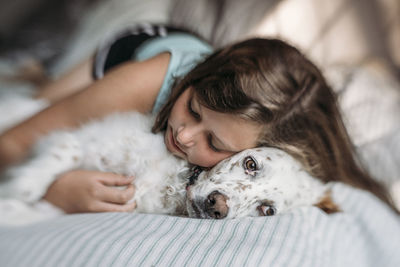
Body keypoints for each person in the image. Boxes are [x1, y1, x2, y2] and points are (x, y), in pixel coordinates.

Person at [0, 24, 397, 214]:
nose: (185, 135)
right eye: (192, 110)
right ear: (194, 84)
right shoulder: (154, 81)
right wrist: (56, 187)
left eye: (217, 145)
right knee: (37, 103)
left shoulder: (275, 159)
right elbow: (11, 144)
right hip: (135, 48)